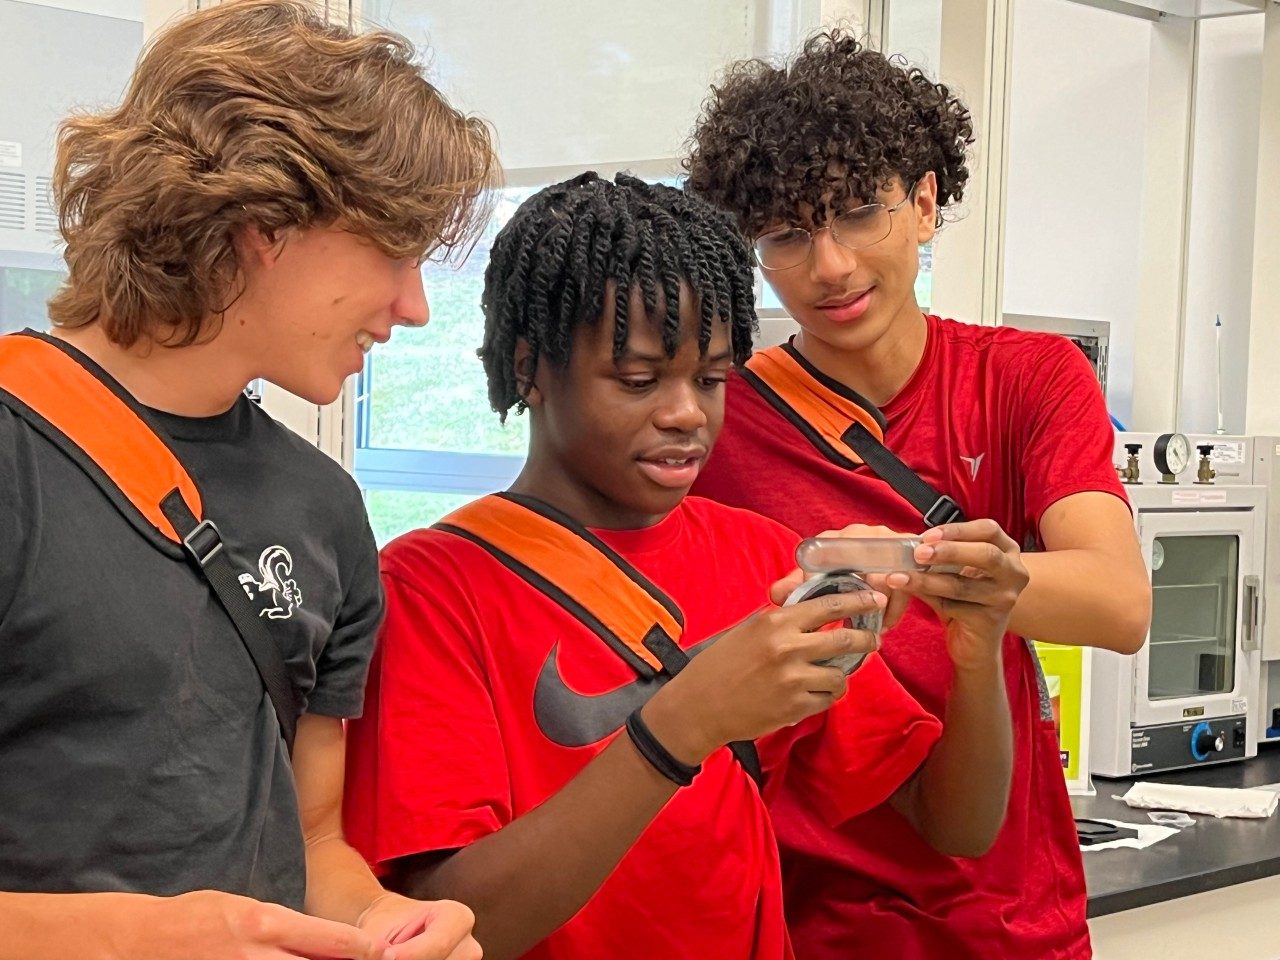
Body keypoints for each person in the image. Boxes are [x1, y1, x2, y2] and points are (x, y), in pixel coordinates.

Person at [342, 172, 1026, 960]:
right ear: (529, 367)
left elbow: (957, 825)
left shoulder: (759, 555)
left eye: (711, 379)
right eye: (638, 381)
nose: (686, 414)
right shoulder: (431, 588)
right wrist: (683, 724)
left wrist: (978, 652)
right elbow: (448, 923)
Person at [0, 3, 496, 958]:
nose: (415, 306)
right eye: (395, 250)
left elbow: (311, 840)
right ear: (265, 222)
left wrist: (382, 923)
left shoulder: (324, 507)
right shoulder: (18, 453)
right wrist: (130, 939)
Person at [684, 30, 1152, 960]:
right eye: (785, 234)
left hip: (1009, 916)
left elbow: (1119, 601)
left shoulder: (1028, 379)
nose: (830, 266)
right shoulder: (719, 418)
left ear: (928, 201)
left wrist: (956, 571)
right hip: (805, 914)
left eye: (860, 213)